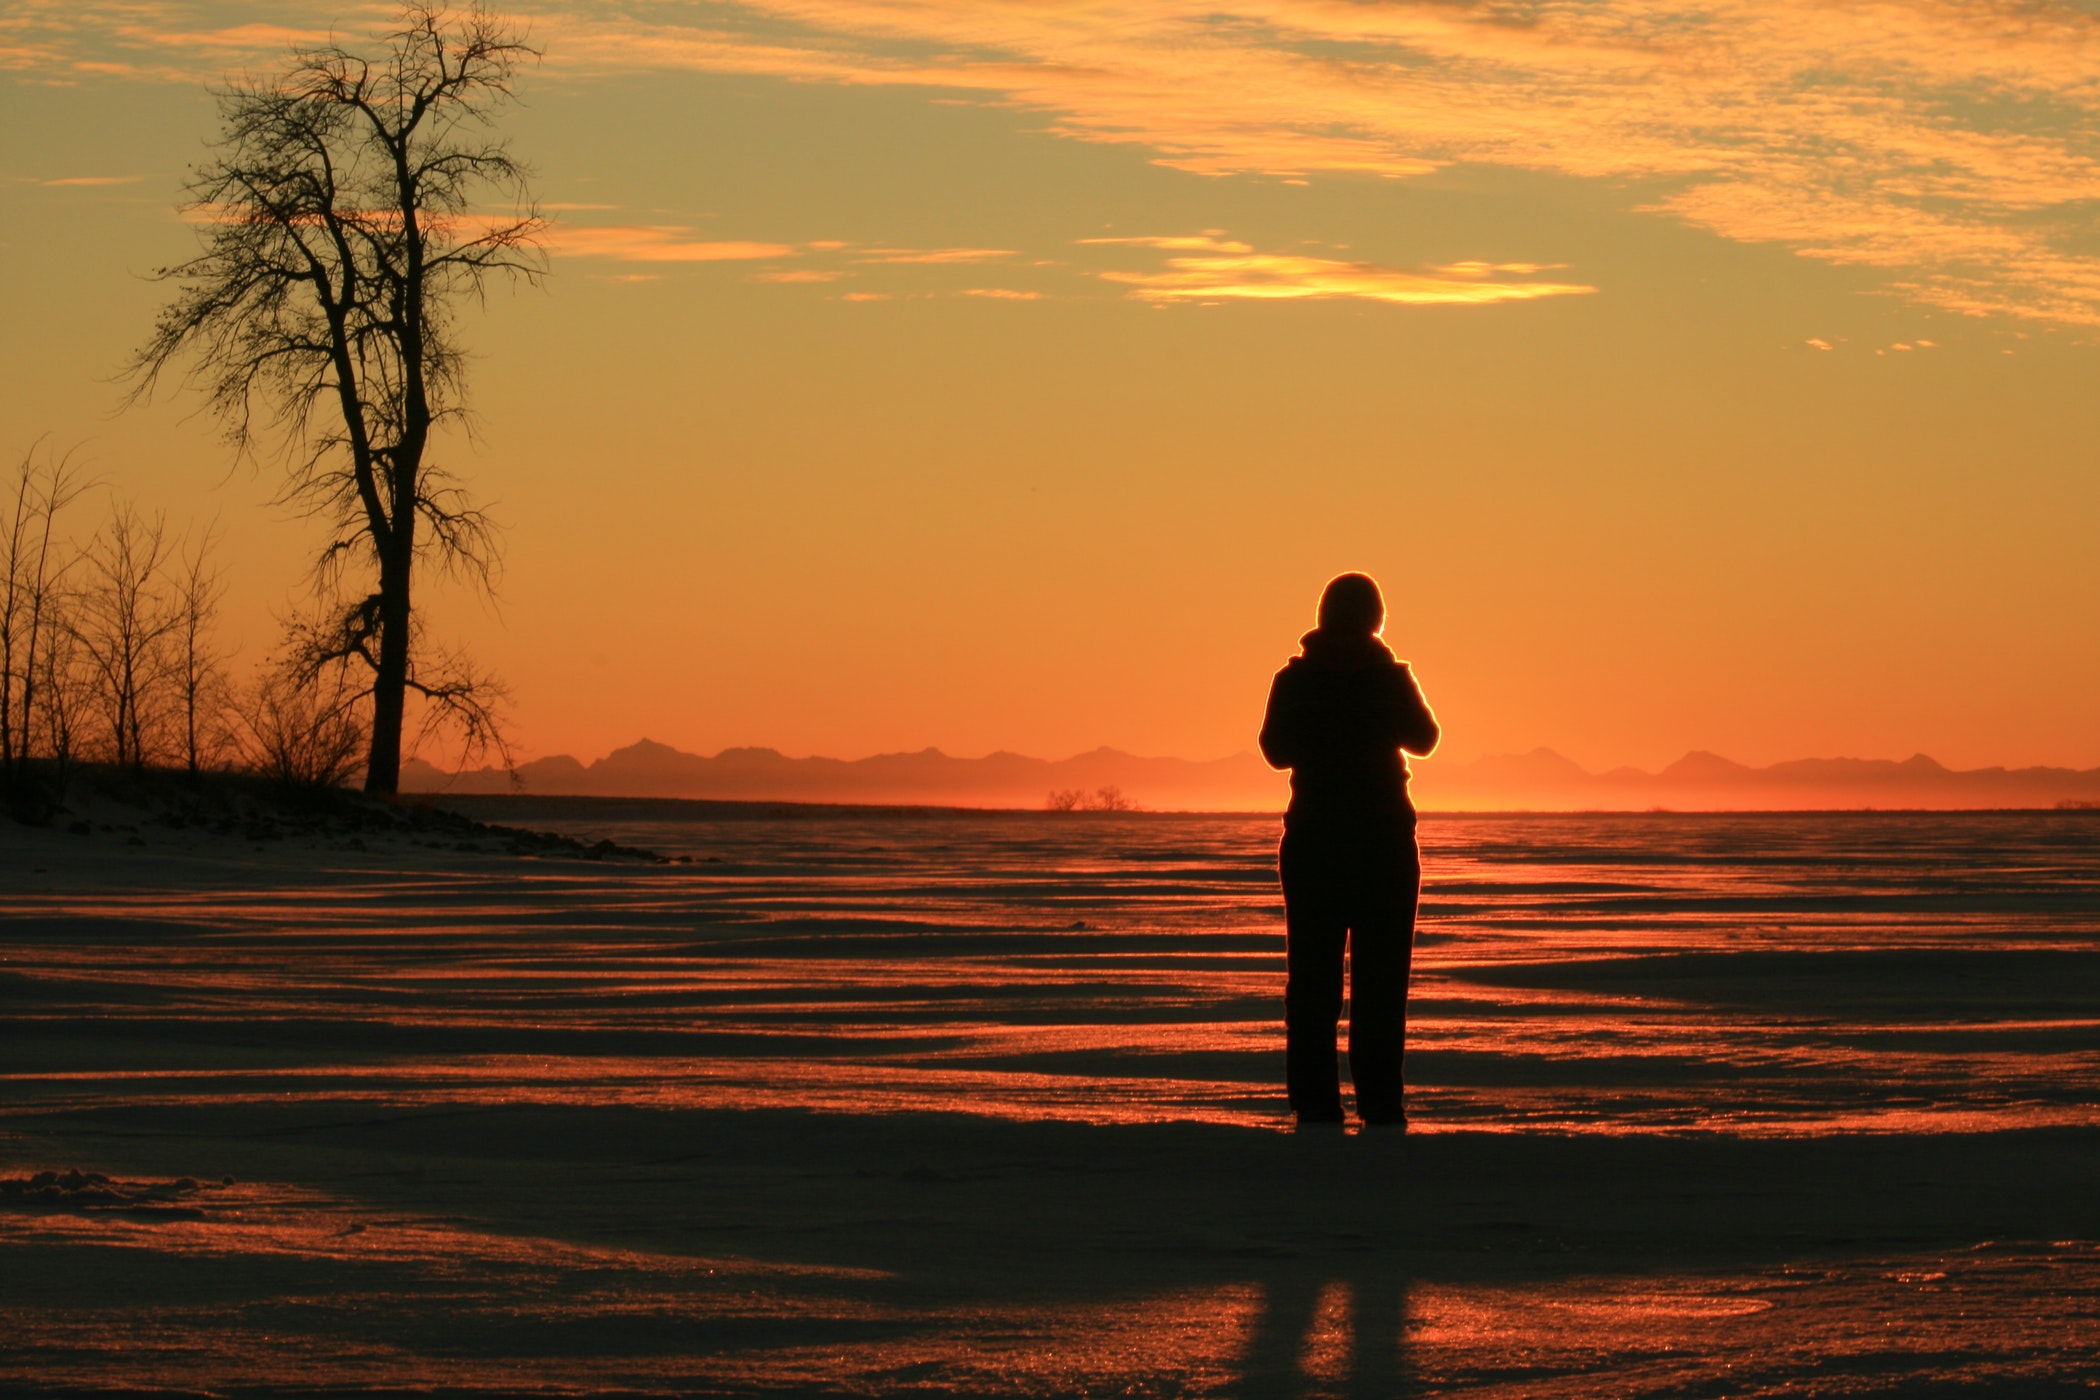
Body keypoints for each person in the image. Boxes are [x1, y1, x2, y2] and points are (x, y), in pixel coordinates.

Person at [1257, 572, 1439, 1128]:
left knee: (1317, 983)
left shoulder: (1303, 678)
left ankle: (1321, 1105)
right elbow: (1425, 739)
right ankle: (1374, 1106)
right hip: (1367, 844)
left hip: (1330, 843)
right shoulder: (1369, 677)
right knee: (1374, 984)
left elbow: (1274, 749)